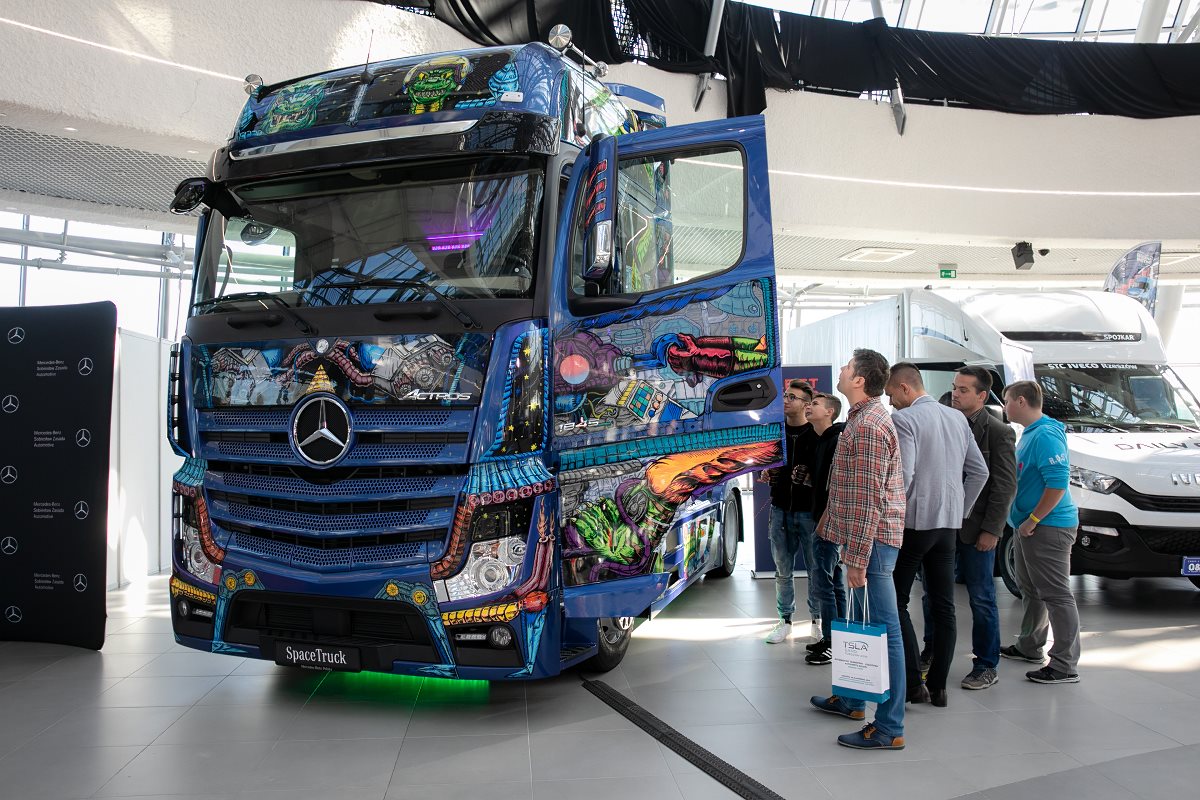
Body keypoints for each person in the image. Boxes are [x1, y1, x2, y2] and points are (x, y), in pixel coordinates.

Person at [810, 349, 908, 751]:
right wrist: (830, 528)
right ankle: (852, 699)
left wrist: (857, 558)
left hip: (873, 544)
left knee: (885, 632)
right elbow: (848, 487)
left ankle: (889, 727)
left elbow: (869, 498)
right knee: (861, 624)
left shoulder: (868, 425)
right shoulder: (860, 418)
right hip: (864, 539)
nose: (841, 368)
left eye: (848, 366)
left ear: (859, 380)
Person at [885, 363, 987, 708]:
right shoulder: (957, 418)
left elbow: (905, 474)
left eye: (891, 395)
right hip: (948, 525)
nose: (890, 402)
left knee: (896, 601)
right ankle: (939, 687)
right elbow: (979, 471)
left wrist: (890, 516)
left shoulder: (905, 419)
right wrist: (960, 510)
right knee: (944, 605)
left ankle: (914, 683)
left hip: (914, 523)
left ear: (904, 388)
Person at [1000, 380, 1082, 684]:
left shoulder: (1046, 435)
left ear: (1021, 401)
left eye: (1007, 400)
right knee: (1031, 589)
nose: (1005, 407)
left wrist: (1034, 519)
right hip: (1028, 526)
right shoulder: (1031, 432)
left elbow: (1057, 484)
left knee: (1056, 594)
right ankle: (1030, 645)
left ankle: (1064, 664)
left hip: (1048, 527)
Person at [951, 367, 1017, 690]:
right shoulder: (945, 421)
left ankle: (987, 664)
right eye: (954, 387)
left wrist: (992, 530)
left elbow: (1004, 486)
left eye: (963, 389)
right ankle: (930, 653)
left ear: (981, 395)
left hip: (978, 529)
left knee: (981, 597)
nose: (955, 393)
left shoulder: (999, 432)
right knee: (934, 596)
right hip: (942, 526)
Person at [760, 380, 818, 643]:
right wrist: (765, 471)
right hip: (780, 508)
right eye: (785, 395)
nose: (786, 400)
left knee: (816, 569)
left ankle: (817, 620)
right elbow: (764, 463)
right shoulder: (775, 432)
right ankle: (785, 621)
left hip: (809, 512)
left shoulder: (817, 433)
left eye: (792, 397)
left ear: (806, 404)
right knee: (782, 569)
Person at [800, 392, 847, 665]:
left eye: (815, 404)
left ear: (830, 412)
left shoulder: (835, 441)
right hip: (825, 520)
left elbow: (838, 488)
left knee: (824, 585)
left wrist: (824, 521)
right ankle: (836, 638)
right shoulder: (822, 441)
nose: (809, 406)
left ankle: (831, 642)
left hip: (827, 524)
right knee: (833, 582)